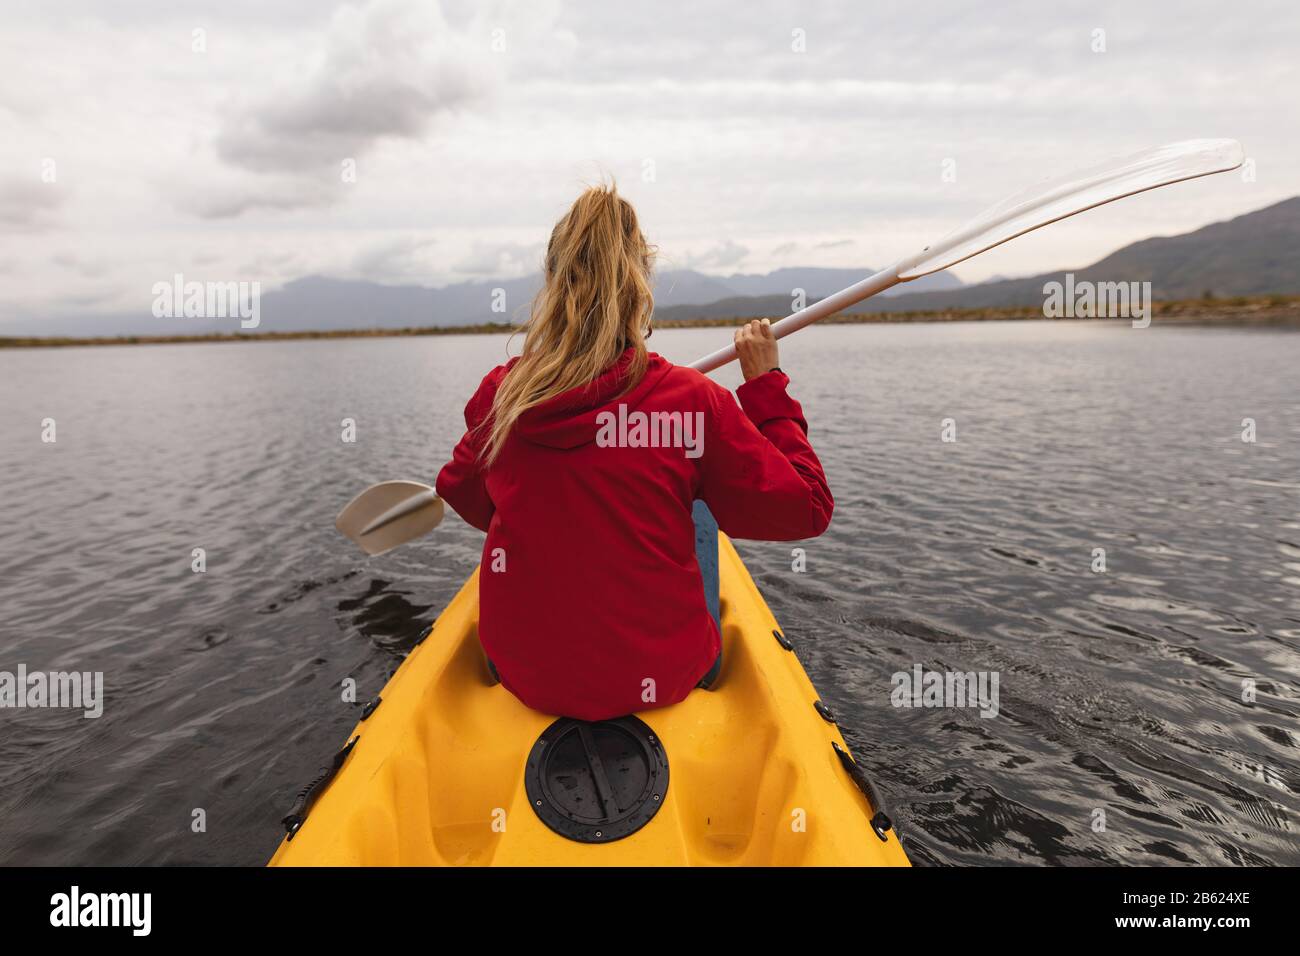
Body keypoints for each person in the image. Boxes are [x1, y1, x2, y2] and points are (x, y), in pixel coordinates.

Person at [436, 183, 833, 721]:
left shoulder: (502, 395)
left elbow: (461, 491)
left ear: (553, 281)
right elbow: (806, 508)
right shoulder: (695, 405)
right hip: (663, 676)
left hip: (527, 677)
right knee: (695, 500)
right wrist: (765, 384)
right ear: (640, 281)